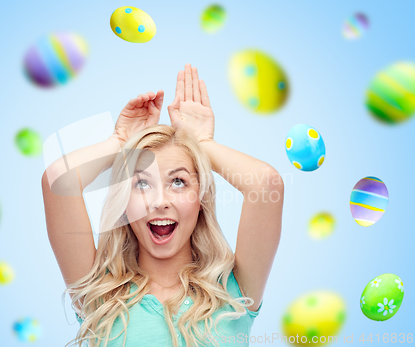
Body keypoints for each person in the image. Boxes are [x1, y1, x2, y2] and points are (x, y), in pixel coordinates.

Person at [41, 64, 284, 347]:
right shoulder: (100, 295)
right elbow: (58, 178)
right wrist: (120, 142)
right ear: (124, 204)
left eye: (179, 182)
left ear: (201, 199)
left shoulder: (235, 290)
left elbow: (266, 184)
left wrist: (201, 143)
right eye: (142, 184)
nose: (159, 202)